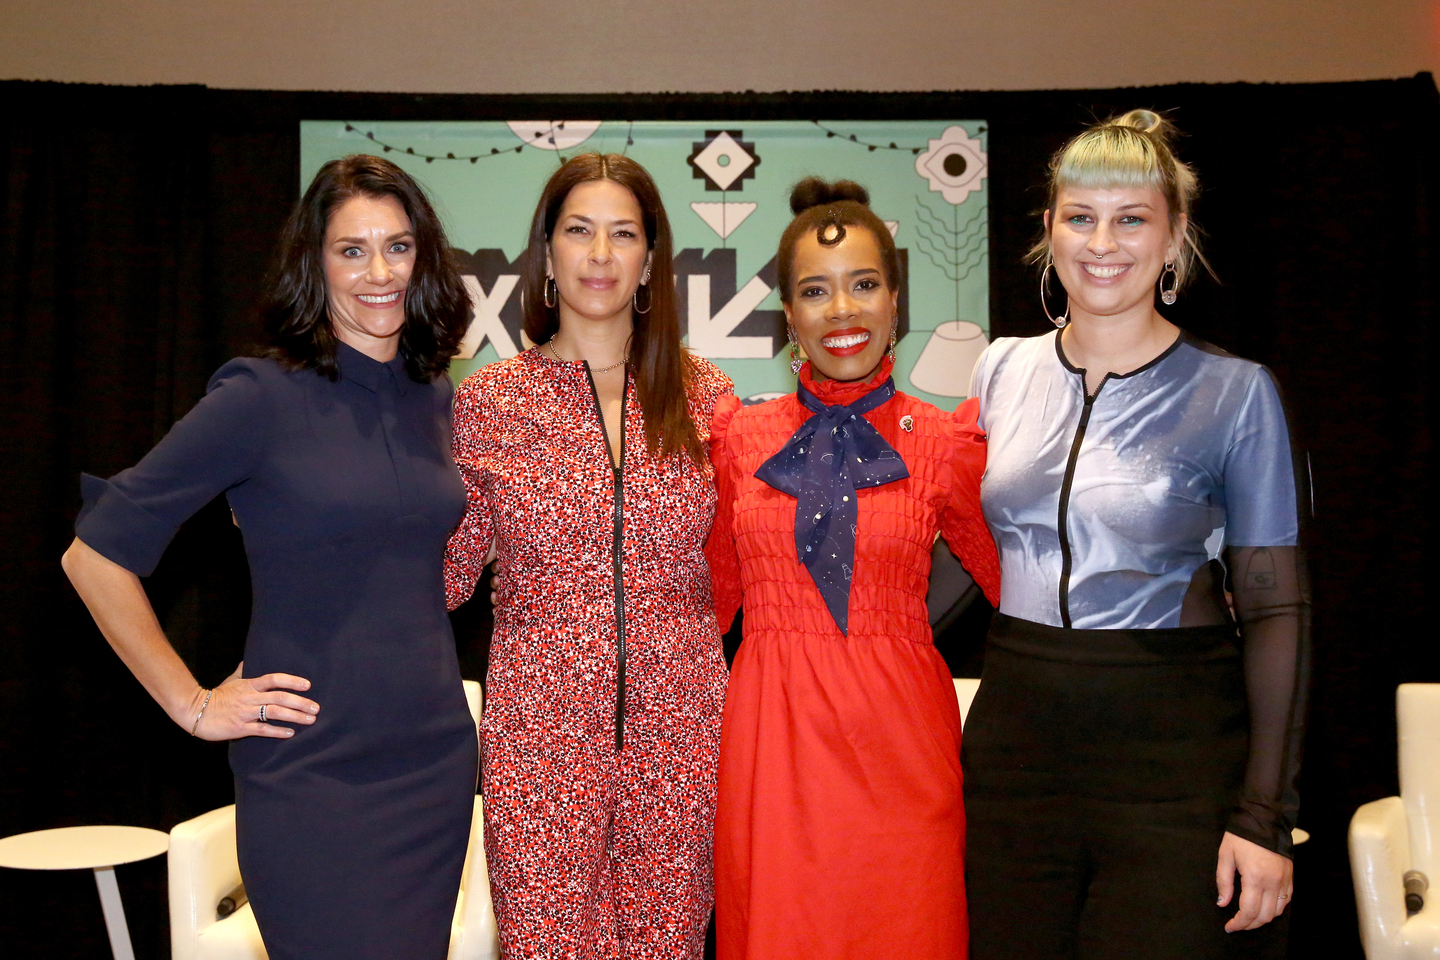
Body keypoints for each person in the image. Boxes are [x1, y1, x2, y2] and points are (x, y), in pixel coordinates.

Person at [61, 155, 478, 960]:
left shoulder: (438, 399)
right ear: (313, 264)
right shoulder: (260, 396)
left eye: (397, 246)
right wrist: (192, 703)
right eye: (351, 249)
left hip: (431, 766)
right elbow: (95, 556)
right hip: (311, 777)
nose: (379, 271)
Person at [962, 110, 1310, 959]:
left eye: (1131, 218)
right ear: (1047, 228)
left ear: (1174, 235)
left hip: (1173, 760)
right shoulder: (1000, 369)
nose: (1102, 242)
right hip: (1015, 752)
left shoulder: (1237, 393)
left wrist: (1265, 816)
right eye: (1080, 216)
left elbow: (1277, 615)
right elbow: (954, 560)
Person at [443, 153, 734, 958]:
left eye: (623, 234)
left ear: (649, 259)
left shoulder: (705, 395)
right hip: (538, 735)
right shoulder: (490, 401)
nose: (600, 254)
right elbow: (444, 573)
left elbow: (750, 562)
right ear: (547, 251)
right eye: (579, 231)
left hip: (683, 735)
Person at [706, 178, 1001, 959]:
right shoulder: (738, 439)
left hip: (901, 744)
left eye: (864, 284)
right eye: (816, 291)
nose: (843, 311)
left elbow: (1026, 589)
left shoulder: (947, 441)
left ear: (896, 300)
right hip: (774, 744)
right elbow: (703, 606)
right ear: (790, 317)